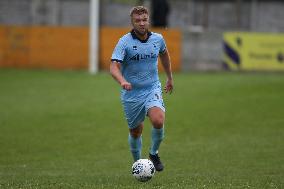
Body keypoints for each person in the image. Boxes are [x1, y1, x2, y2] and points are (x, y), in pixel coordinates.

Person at [110, 6, 173, 172]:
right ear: (132, 22)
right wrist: (122, 81)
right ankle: (138, 164)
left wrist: (169, 77)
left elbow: (164, 55)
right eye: (138, 20)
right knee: (136, 131)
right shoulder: (124, 42)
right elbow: (113, 67)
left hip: (152, 87)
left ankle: (153, 153)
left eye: (144, 20)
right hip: (132, 93)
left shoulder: (158, 39)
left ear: (148, 20)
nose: (142, 23)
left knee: (158, 120)